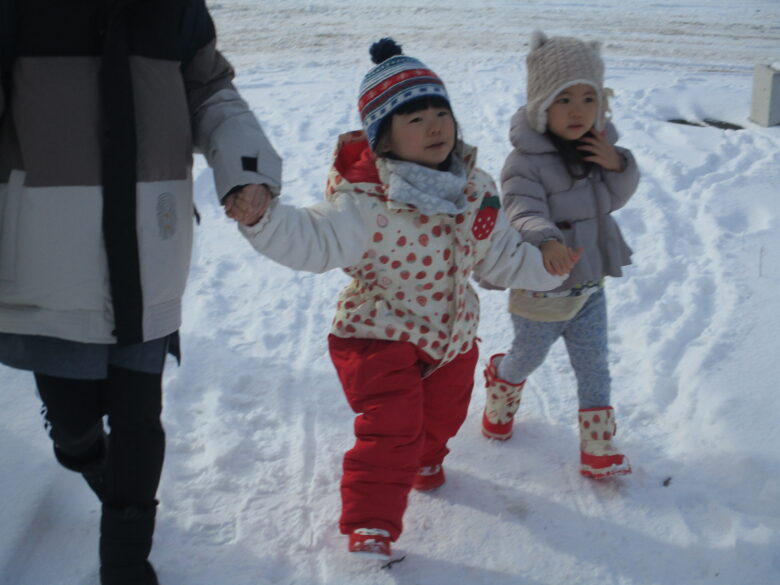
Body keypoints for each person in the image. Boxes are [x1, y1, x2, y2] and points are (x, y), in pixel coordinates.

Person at [227, 38, 568, 558]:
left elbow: (498, 255)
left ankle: (426, 460)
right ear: (383, 138)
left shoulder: (474, 191)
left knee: (442, 416)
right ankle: (370, 527)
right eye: (414, 119)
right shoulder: (363, 205)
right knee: (391, 431)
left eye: (440, 113)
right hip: (377, 338)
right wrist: (264, 219)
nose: (434, 126)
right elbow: (312, 240)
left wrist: (545, 267)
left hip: (451, 338)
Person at [0, 1, 281, 583]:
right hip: (47, 262)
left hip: (151, 253)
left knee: (139, 416)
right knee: (74, 419)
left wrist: (245, 167)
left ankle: (125, 563)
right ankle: (80, 452)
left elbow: (209, 91)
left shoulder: (175, 9)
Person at [480, 31, 640, 480]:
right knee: (526, 358)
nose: (577, 110)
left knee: (594, 365)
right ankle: (501, 384)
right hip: (543, 289)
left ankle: (597, 447)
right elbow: (520, 207)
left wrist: (618, 165)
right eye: (564, 98)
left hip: (589, 283)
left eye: (588, 98)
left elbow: (613, 199)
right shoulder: (524, 161)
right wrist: (546, 239)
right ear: (540, 105)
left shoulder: (596, 149)